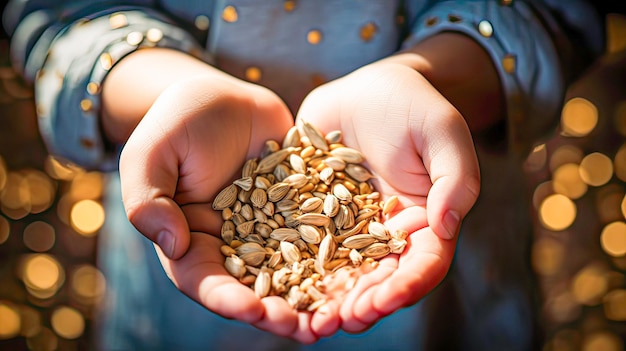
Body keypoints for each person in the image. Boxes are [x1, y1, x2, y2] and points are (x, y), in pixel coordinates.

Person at [2, 0, 605, 350]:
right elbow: (57, 16)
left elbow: (557, 12)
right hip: (192, 217)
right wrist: (162, 92)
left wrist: (432, 81)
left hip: (429, 214)